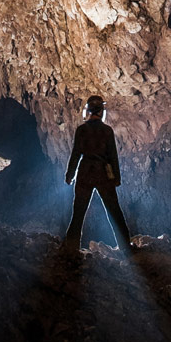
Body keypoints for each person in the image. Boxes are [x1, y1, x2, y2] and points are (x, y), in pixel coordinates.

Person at [64, 94, 132, 252]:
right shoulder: (107, 131)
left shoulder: (81, 130)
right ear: (102, 111)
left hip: (85, 172)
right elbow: (113, 156)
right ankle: (125, 246)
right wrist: (116, 178)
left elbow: (75, 154)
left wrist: (70, 175)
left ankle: (71, 247)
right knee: (114, 211)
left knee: (78, 212)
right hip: (103, 173)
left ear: (88, 111)